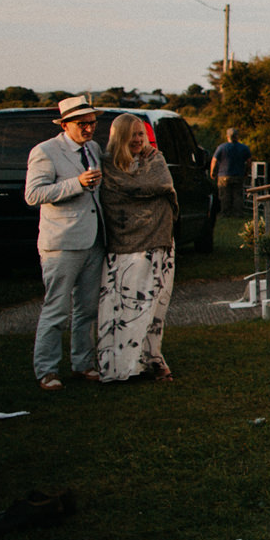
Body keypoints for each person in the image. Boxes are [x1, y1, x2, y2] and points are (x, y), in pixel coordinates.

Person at [25, 96, 106, 391]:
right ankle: (46, 370)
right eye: (82, 124)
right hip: (62, 243)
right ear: (65, 125)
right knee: (56, 308)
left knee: (87, 309)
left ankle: (82, 363)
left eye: (92, 123)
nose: (88, 129)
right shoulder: (45, 151)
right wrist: (77, 184)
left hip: (94, 240)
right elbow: (33, 195)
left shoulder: (94, 149)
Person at [96, 114, 178, 382]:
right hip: (125, 247)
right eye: (132, 135)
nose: (138, 140)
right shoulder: (107, 165)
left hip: (158, 243)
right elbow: (115, 196)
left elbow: (163, 184)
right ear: (119, 136)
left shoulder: (155, 158)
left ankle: (151, 359)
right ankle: (123, 365)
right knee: (125, 307)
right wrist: (145, 193)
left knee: (154, 307)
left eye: (141, 134)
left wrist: (141, 192)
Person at [211, 127, 252, 217]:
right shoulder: (244, 148)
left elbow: (214, 160)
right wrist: (246, 172)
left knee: (224, 195)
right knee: (238, 195)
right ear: (237, 136)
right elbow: (249, 161)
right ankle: (238, 213)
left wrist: (213, 172)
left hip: (223, 175)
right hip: (238, 175)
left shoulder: (221, 147)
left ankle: (225, 213)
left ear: (227, 136)